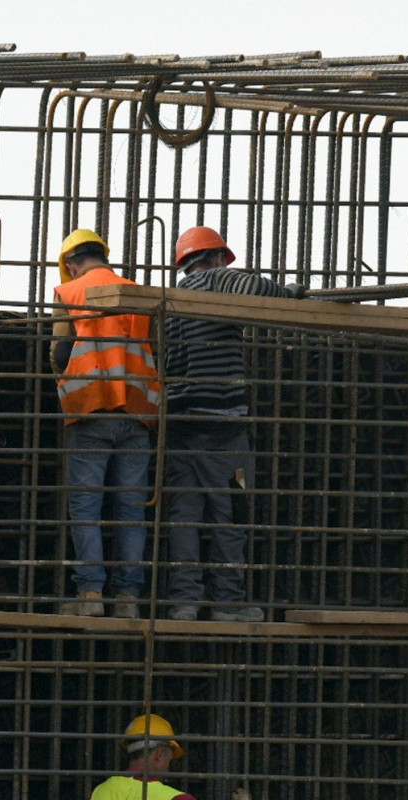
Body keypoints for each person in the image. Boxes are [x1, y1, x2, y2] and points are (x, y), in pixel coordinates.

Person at [161, 227, 305, 622]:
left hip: (178, 422)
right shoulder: (216, 279)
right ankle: (227, 604)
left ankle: (184, 603)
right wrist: (293, 292)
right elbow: (259, 289)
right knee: (230, 514)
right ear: (218, 256)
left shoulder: (171, 299)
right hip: (221, 425)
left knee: (185, 517)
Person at [51, 229, 162, 619]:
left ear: (70, 263)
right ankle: (128, 601)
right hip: (137, 412)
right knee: (132, 509)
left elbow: (60, 352)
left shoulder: (70, 294)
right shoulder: (138, 292)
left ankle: (91, 595)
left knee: (86, 507)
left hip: (90, 410)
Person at [89, 714, 198, 800]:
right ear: (159, 754)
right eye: (169, 759)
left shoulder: (100, 791)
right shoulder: (178, 798)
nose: (168, 768)